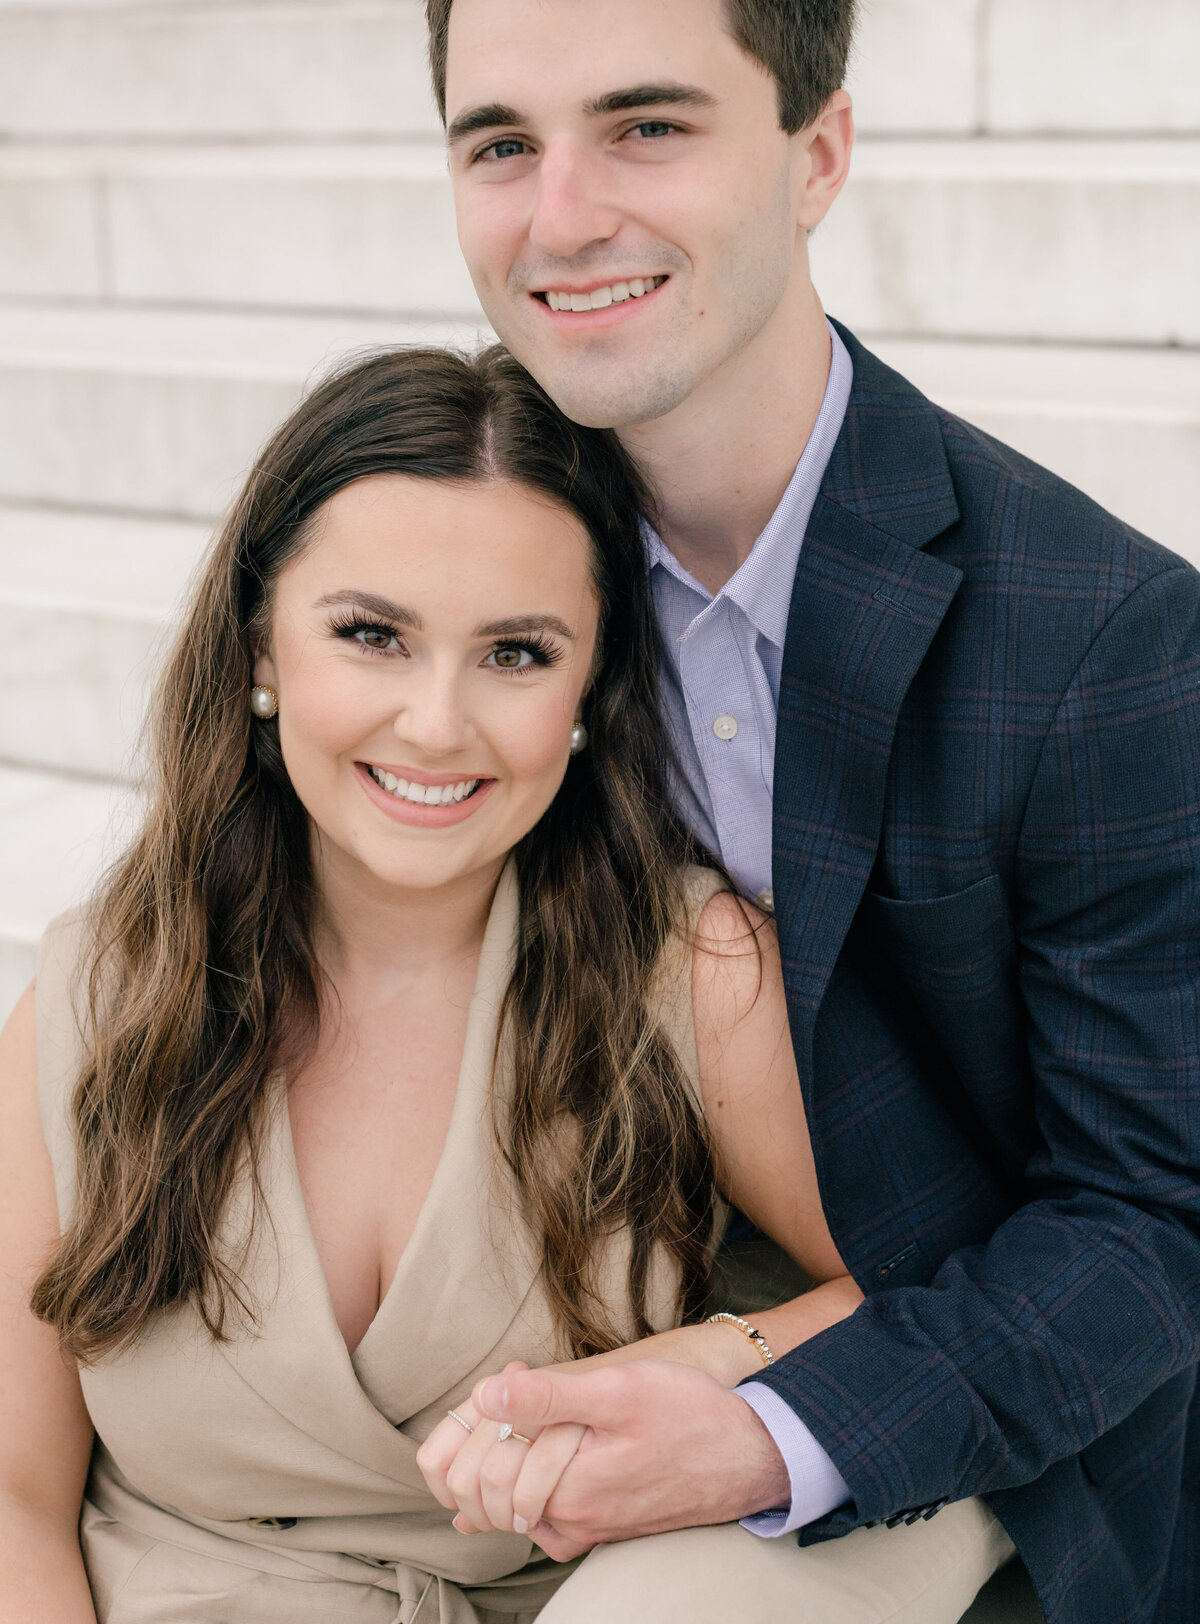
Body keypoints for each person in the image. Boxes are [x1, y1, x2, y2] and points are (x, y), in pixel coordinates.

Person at [413, 0, 1200, 1621]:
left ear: (818, 152)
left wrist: (761, 1432)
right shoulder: (472, 535)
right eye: (499, 145)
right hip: (534, 1312)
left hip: (941, 1371)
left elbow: (1148, 1229)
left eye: (648, 126)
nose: (563, 217)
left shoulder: (1102, 639)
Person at [0, 345, 1011, 1623]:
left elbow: (936, 1296)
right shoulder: (93, 999)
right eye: (372, 635)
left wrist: (721, 1358)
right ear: (261, 648)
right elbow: (14, 1502)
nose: (436, 722)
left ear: (591, 690)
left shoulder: (688, 975)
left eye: (516, 654)